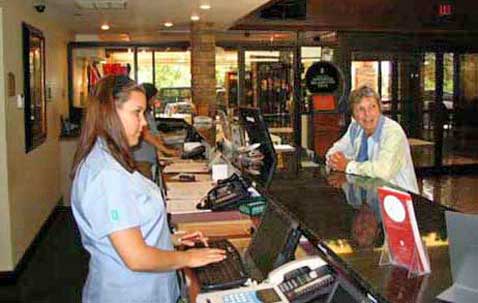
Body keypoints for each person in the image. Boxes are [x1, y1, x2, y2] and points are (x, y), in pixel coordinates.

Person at [70, 75, 226, 303]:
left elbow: (127, 230)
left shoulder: (109, 158)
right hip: (129, 294)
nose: (144, 123)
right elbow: (136, 258)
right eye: (137, 112)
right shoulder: (106, 175)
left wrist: (170, 239)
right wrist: (189, 258)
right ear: (110, 112)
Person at [326, 85, 419, 194]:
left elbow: (383, 171)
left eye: (372, 107)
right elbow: (333, 152)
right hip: (369, 198)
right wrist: (335, 160)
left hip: (398, 199)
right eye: (361, 109)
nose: (367, 114)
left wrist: (348, 165)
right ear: (354, 115)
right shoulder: (355, 128)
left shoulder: (392, 132)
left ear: (380, 109)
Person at [133, 82, 177, 179]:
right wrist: (165, 150)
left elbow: (152, 132)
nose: (155, 100)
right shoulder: (141, 112)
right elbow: (146, 134)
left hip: (147, 158)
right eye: (154, 97)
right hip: (141, 160)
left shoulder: (147, 112)